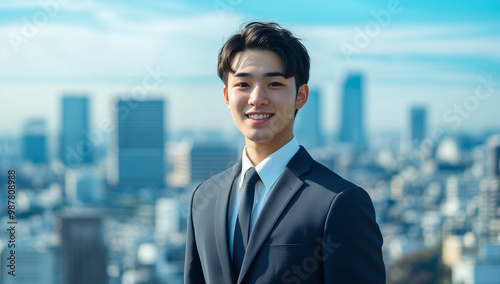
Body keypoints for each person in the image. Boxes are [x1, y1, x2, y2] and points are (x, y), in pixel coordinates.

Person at [185, 21, 385, 284]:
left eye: (275, 84)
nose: (257, 98)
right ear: (226, 96)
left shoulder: (339, 202)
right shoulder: (204, 198)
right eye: (243, 85)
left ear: (301, 96)